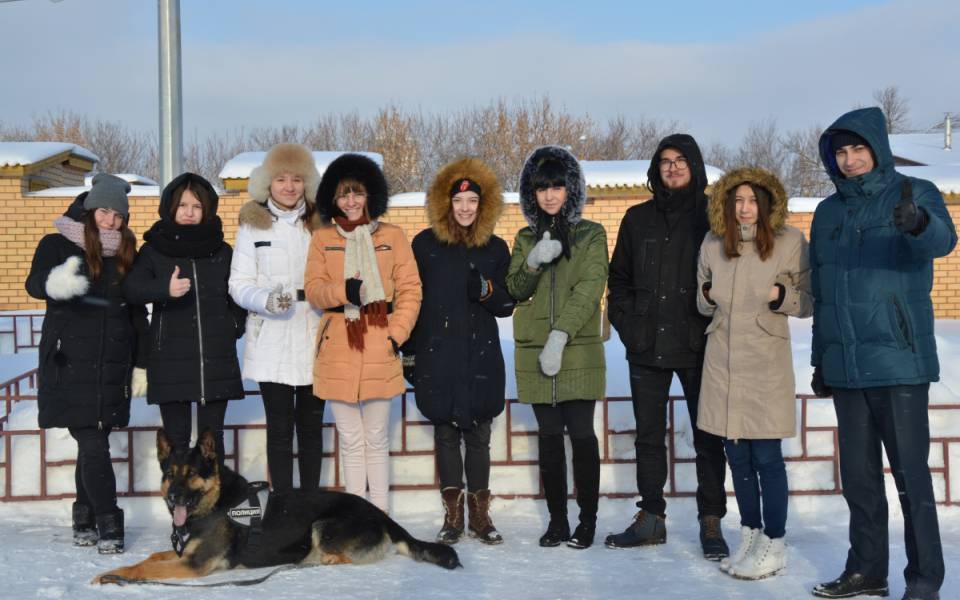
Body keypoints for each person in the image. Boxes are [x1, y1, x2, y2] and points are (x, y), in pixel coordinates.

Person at [809, 107, 954, 600]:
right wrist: (820, 359)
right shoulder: (828, 212)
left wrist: (916, 225)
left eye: (858, 150)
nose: (849, 160)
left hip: (899, 363)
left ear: (877, 149)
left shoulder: (912, 194)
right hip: (847, 367)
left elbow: (943, 240)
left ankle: (924, 579)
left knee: (912, 478)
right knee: (860, 481)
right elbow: (825, 292)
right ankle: (867, 570)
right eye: (841, 153)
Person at [606, 134, 729, 559]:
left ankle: (710, 519)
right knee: (649, 438)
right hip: (646, 345)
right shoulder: (636, 218)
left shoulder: (714, 216)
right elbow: (618, 278)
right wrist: (628, 324)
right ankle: (651, 517)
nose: (673, 167)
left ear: (695, 165)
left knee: (708, 436)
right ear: (655, 169)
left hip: (699, 346)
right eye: (665, 161)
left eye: (681, 160)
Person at [696, 167, 812, 579]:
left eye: (752, 201)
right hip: (723, 360)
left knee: (766, 458)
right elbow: (702, 298)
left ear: (766, 205)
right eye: (737, 201)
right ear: (727, 205)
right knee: (737, 458)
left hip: (765, 364)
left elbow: (809, 299)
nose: (744, 209)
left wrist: (782, 296)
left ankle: (775, 543)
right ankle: (750, 533)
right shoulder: (713, 243)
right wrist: (707, 296)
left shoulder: (790, 241)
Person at [25, 173, 146, 554]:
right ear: (90, 209)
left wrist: (141, 363)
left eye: (118, 215)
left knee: (94, 441)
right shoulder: (56, 244)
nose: (110, 221)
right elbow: (33, 283)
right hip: (70, 361)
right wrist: (54, 283)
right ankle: (109, 522)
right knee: (93, 443)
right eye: (104, 212)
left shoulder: (127, 252)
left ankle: (83, 514)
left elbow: (135, 312)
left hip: (111, 363)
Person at [404, 157, 514, 544]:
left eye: (473, 202)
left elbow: (507, 304)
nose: (465, 209)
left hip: (481, 355)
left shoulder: (496, 248)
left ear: (483, 206)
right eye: (458, 201)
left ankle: (480, 518)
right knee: (446, 434)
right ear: (445, 203)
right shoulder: (424, 245)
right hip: (438, 355)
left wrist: (485, 289)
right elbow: (411, 302)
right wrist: (409, 354)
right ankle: (453, 517)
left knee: (479, 435)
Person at [304, 153, 421, 513]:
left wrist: (394, 335)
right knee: (350, 440)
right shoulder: (323, 239)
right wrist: (344, 292)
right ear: (332, 200)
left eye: (357, 193)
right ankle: (356, 516)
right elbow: (314, 289)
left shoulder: (392, 236)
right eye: (343, 195)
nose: (351, 202)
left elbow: (411, 290)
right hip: (338, 343)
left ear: (370, 195)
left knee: (376, 438)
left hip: (379, 343)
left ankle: (380, 516)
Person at [506, 145, 607, 549]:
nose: (550, 195)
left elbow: (590, 287)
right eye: (541, 187)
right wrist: (532, 261)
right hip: (533, 351)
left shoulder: (590, 234)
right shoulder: (524, 236)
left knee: (581, 435)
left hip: (577, 347)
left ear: (571, 189)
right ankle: (558, 521)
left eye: (557, 186)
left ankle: (587, 520)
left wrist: (561, 334)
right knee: (549, 437)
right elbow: (515, 288)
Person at [124, 173, 246, 463]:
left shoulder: (222, 251)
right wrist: (162, 289)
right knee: (177, 441)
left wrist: (232, 326)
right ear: (170, 208)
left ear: (207, 210)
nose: (189, 212)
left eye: (196, 206)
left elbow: (239, 293)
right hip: (169, 357)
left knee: (211, 440)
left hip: (214, 357)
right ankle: (181, 503)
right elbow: (131, 289)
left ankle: (214, 501)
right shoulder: (154, 250)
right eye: (182, 206)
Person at [229, 144, 326, 491]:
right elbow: (238, 283)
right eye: (281, 178)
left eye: (297, 179)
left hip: (314, 330)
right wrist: (264, 300)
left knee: (311, 428)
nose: (289, 186)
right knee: (280, 429)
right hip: (271, 335)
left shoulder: (320, 222)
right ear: (267, 183)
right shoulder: (252, 224)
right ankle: (284, 503)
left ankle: (310, 502)